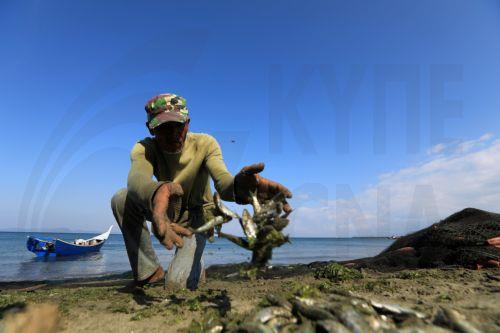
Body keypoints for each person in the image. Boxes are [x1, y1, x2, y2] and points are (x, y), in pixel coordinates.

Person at [110, 93, 292, 289]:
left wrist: (241, 188)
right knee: (122, 199)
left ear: (187, 123)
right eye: (164, 128)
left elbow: (223, 182)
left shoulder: (205, 144)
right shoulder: (144, 148)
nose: (173, 135)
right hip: (165, 208)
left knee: (175, 284)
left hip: (198, 218)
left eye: (178, 126)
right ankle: (149, 272)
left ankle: (195, 261)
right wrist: (158, 191)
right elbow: (137, 179)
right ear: (151, 128)